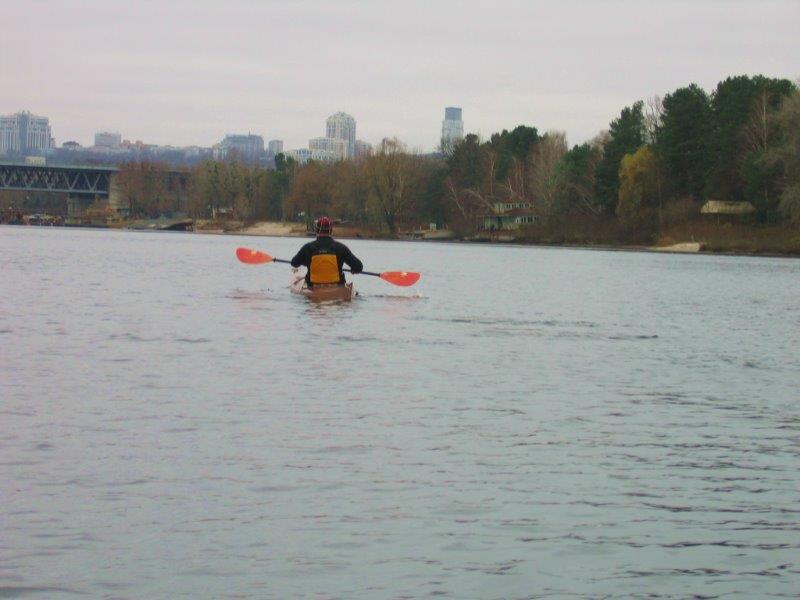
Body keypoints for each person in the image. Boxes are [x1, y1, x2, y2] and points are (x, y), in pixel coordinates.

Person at [290, 216, 363, 287]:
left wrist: (307, 262)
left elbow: (294, 263)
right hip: (337, 287)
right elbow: (359, 267)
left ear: (317, 230)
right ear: (331, 230)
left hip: (313, 287)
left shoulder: (307, 247)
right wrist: (354, 269)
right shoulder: (341, 248)